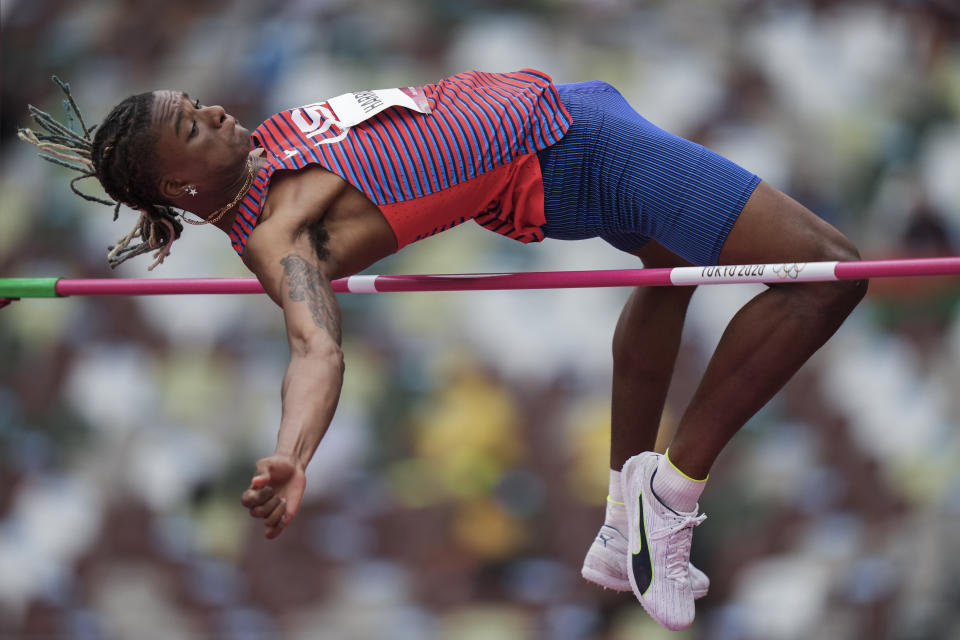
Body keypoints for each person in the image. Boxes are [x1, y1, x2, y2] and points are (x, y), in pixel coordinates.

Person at [20, 69, 866, 630]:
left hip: (571, 109)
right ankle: (670, 493)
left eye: (193, 103)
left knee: (665, 269)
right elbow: (316, 349)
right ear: (180, 184)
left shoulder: (264, 147)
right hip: (573, 152)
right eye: (191, 127)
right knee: (830, 274)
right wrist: (290, 454)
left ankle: (621, 517)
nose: (211, 111)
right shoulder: (282, 235)